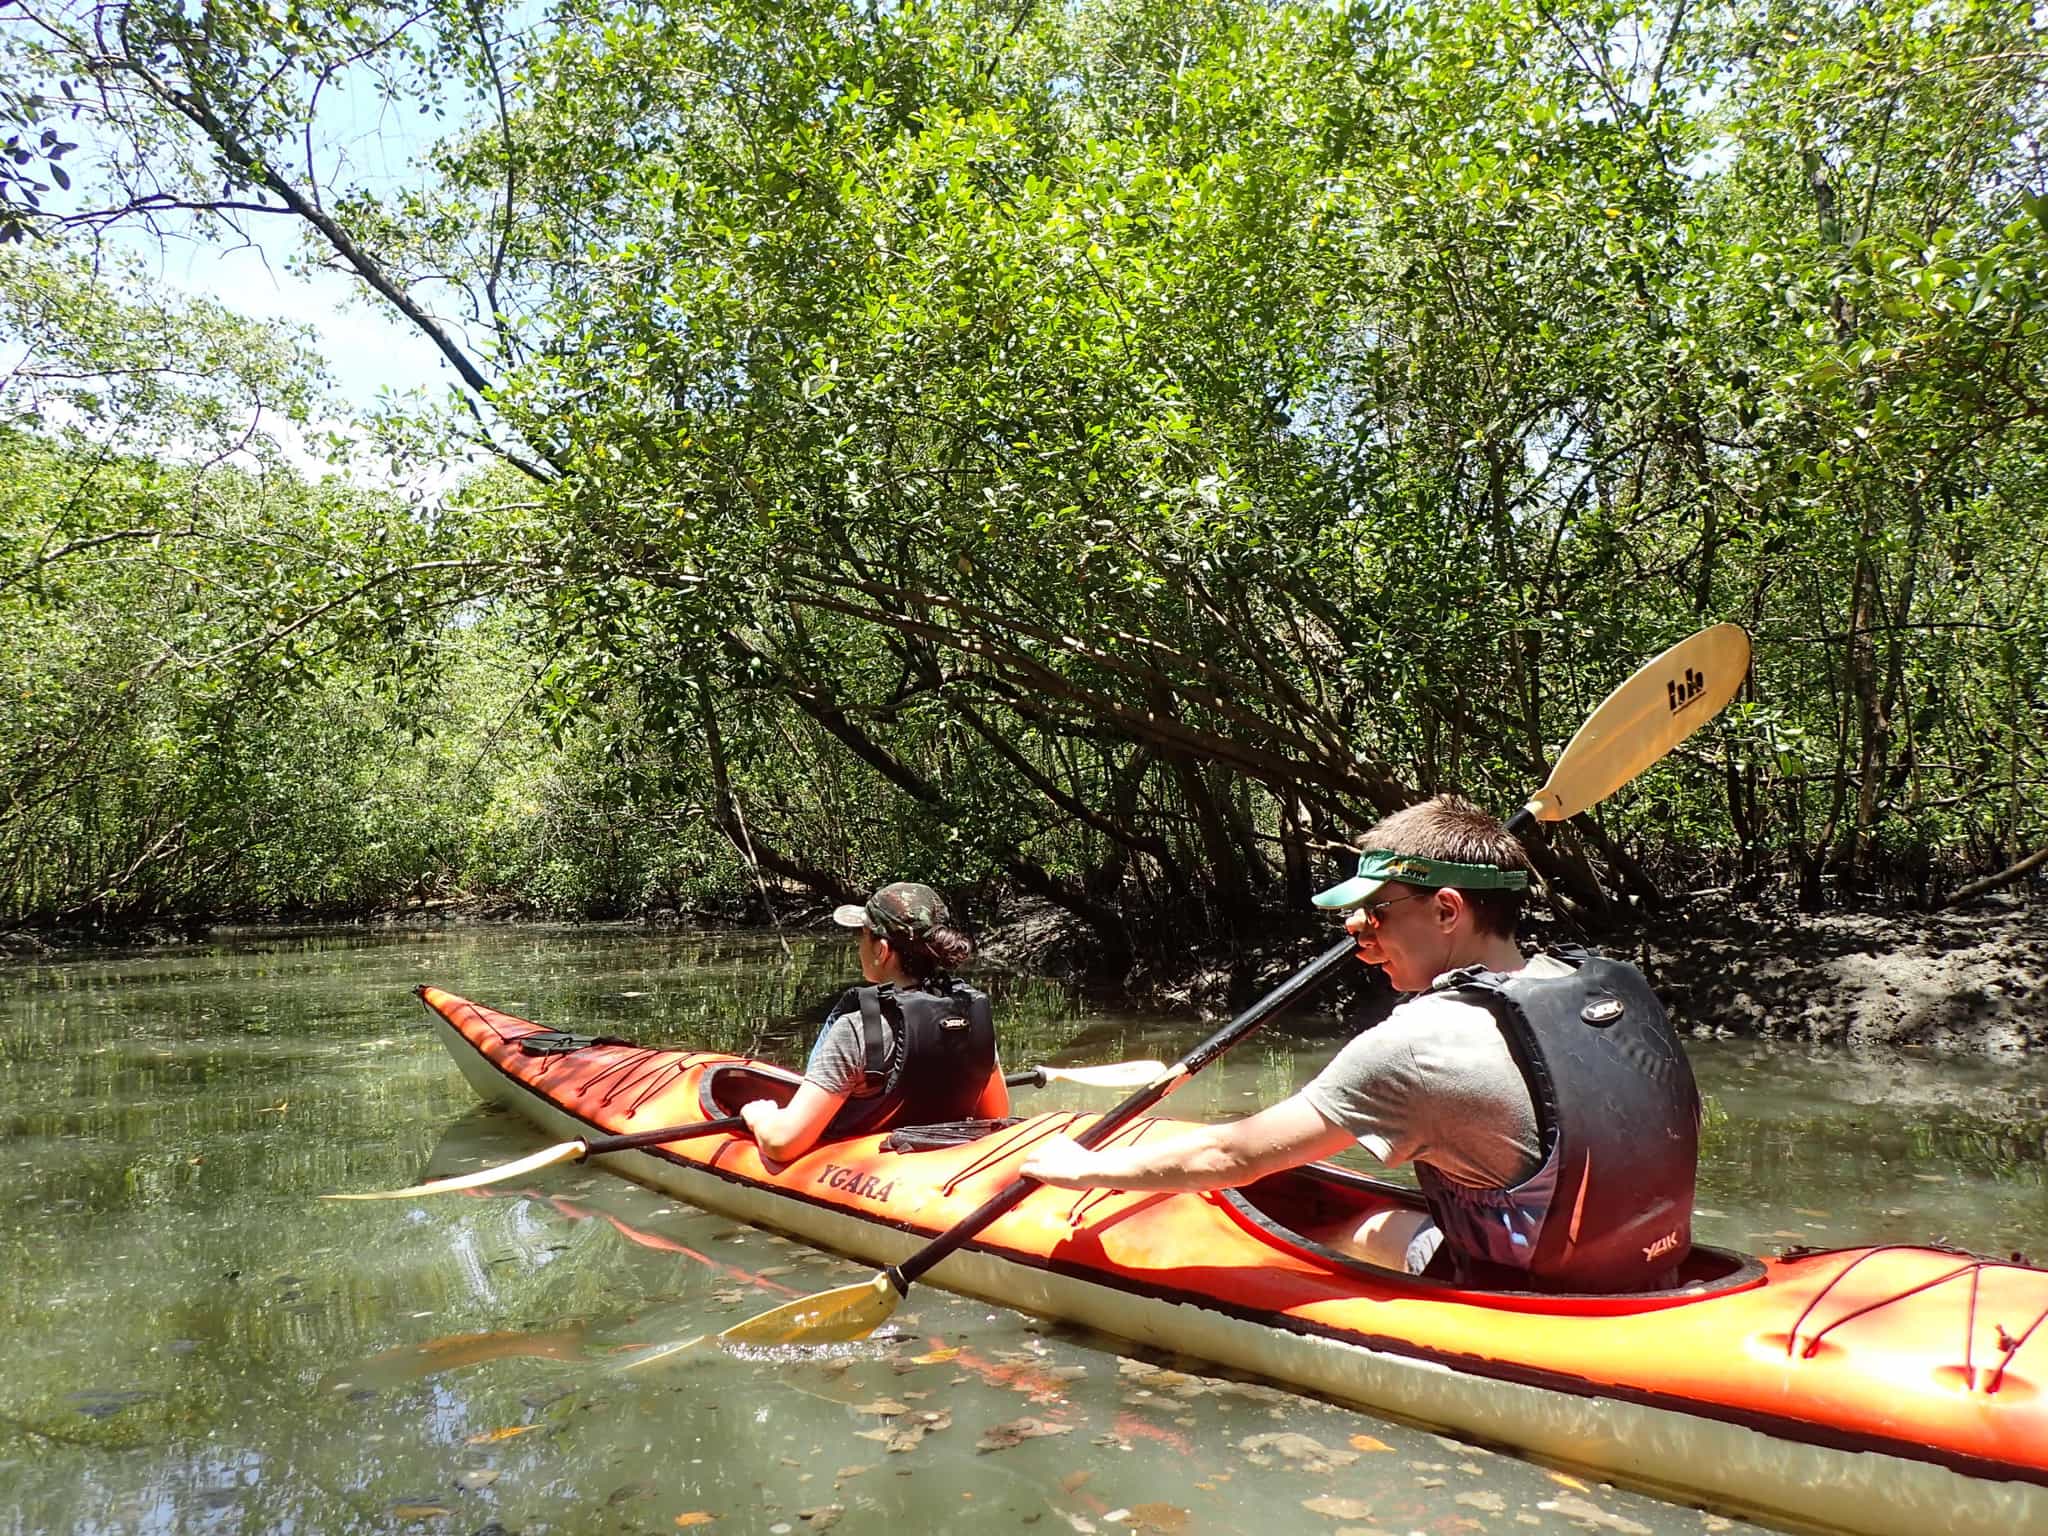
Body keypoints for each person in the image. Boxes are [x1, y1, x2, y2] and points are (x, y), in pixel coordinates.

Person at [1019, 796, 1700, 1292]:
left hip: (1534, 1294)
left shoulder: (1419, 1043)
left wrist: (1078, 1170)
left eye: (1375, 911)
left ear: (1446, 911)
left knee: (1363, 1232)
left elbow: (1231, 1153)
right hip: (1646, 1264)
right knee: (1381, 1219)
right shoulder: (1599, 984)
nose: (1357, 933)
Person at [740, 882, 1009, 1162]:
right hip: (943, 1171)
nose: (859, 945)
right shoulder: (969, 1015)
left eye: (863, 935)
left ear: (881, 950)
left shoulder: (858, 1029)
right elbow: (996, 1116)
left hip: (874, 1176)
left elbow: (782, 1144)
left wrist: (760, 1117)